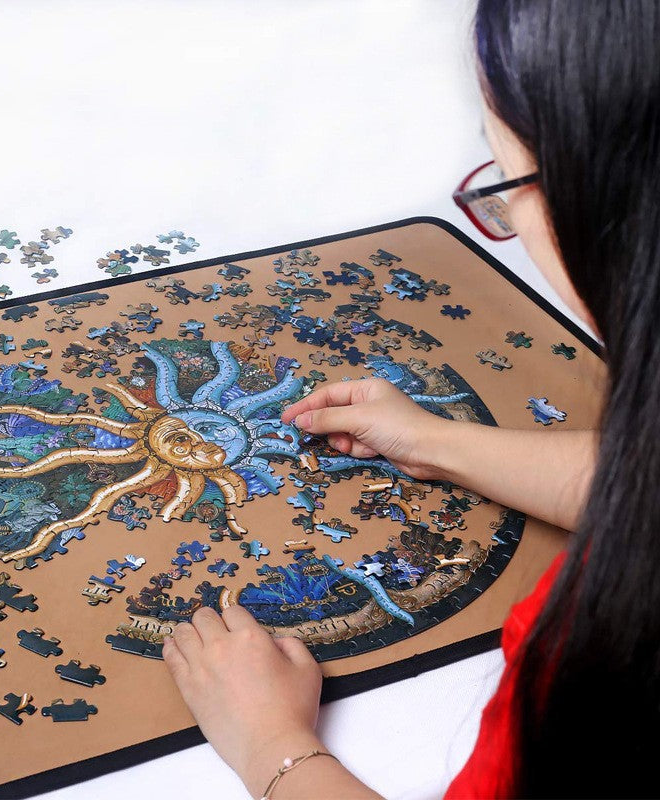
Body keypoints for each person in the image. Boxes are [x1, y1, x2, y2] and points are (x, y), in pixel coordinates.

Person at [161, 0, 660, 796]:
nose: (511, 215)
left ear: (614, 206)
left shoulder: (601, 665)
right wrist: (434, 443)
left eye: (509, 178)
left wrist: (271, 746)